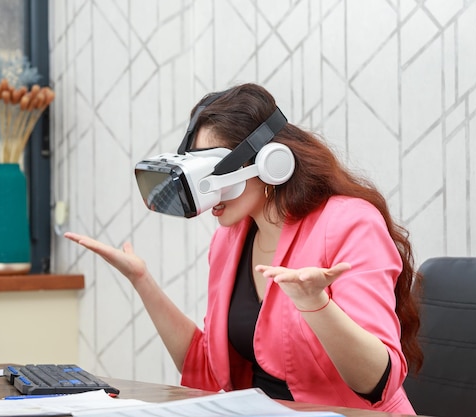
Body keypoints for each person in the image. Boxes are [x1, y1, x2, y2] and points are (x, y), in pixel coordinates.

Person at [64, 83, 422, 414]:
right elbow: (206, 371)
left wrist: (317, 305)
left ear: (268, 161)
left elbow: (378, 382)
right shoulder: (230, 239)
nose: (209, 193)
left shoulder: (350, 223)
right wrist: (142, 280)